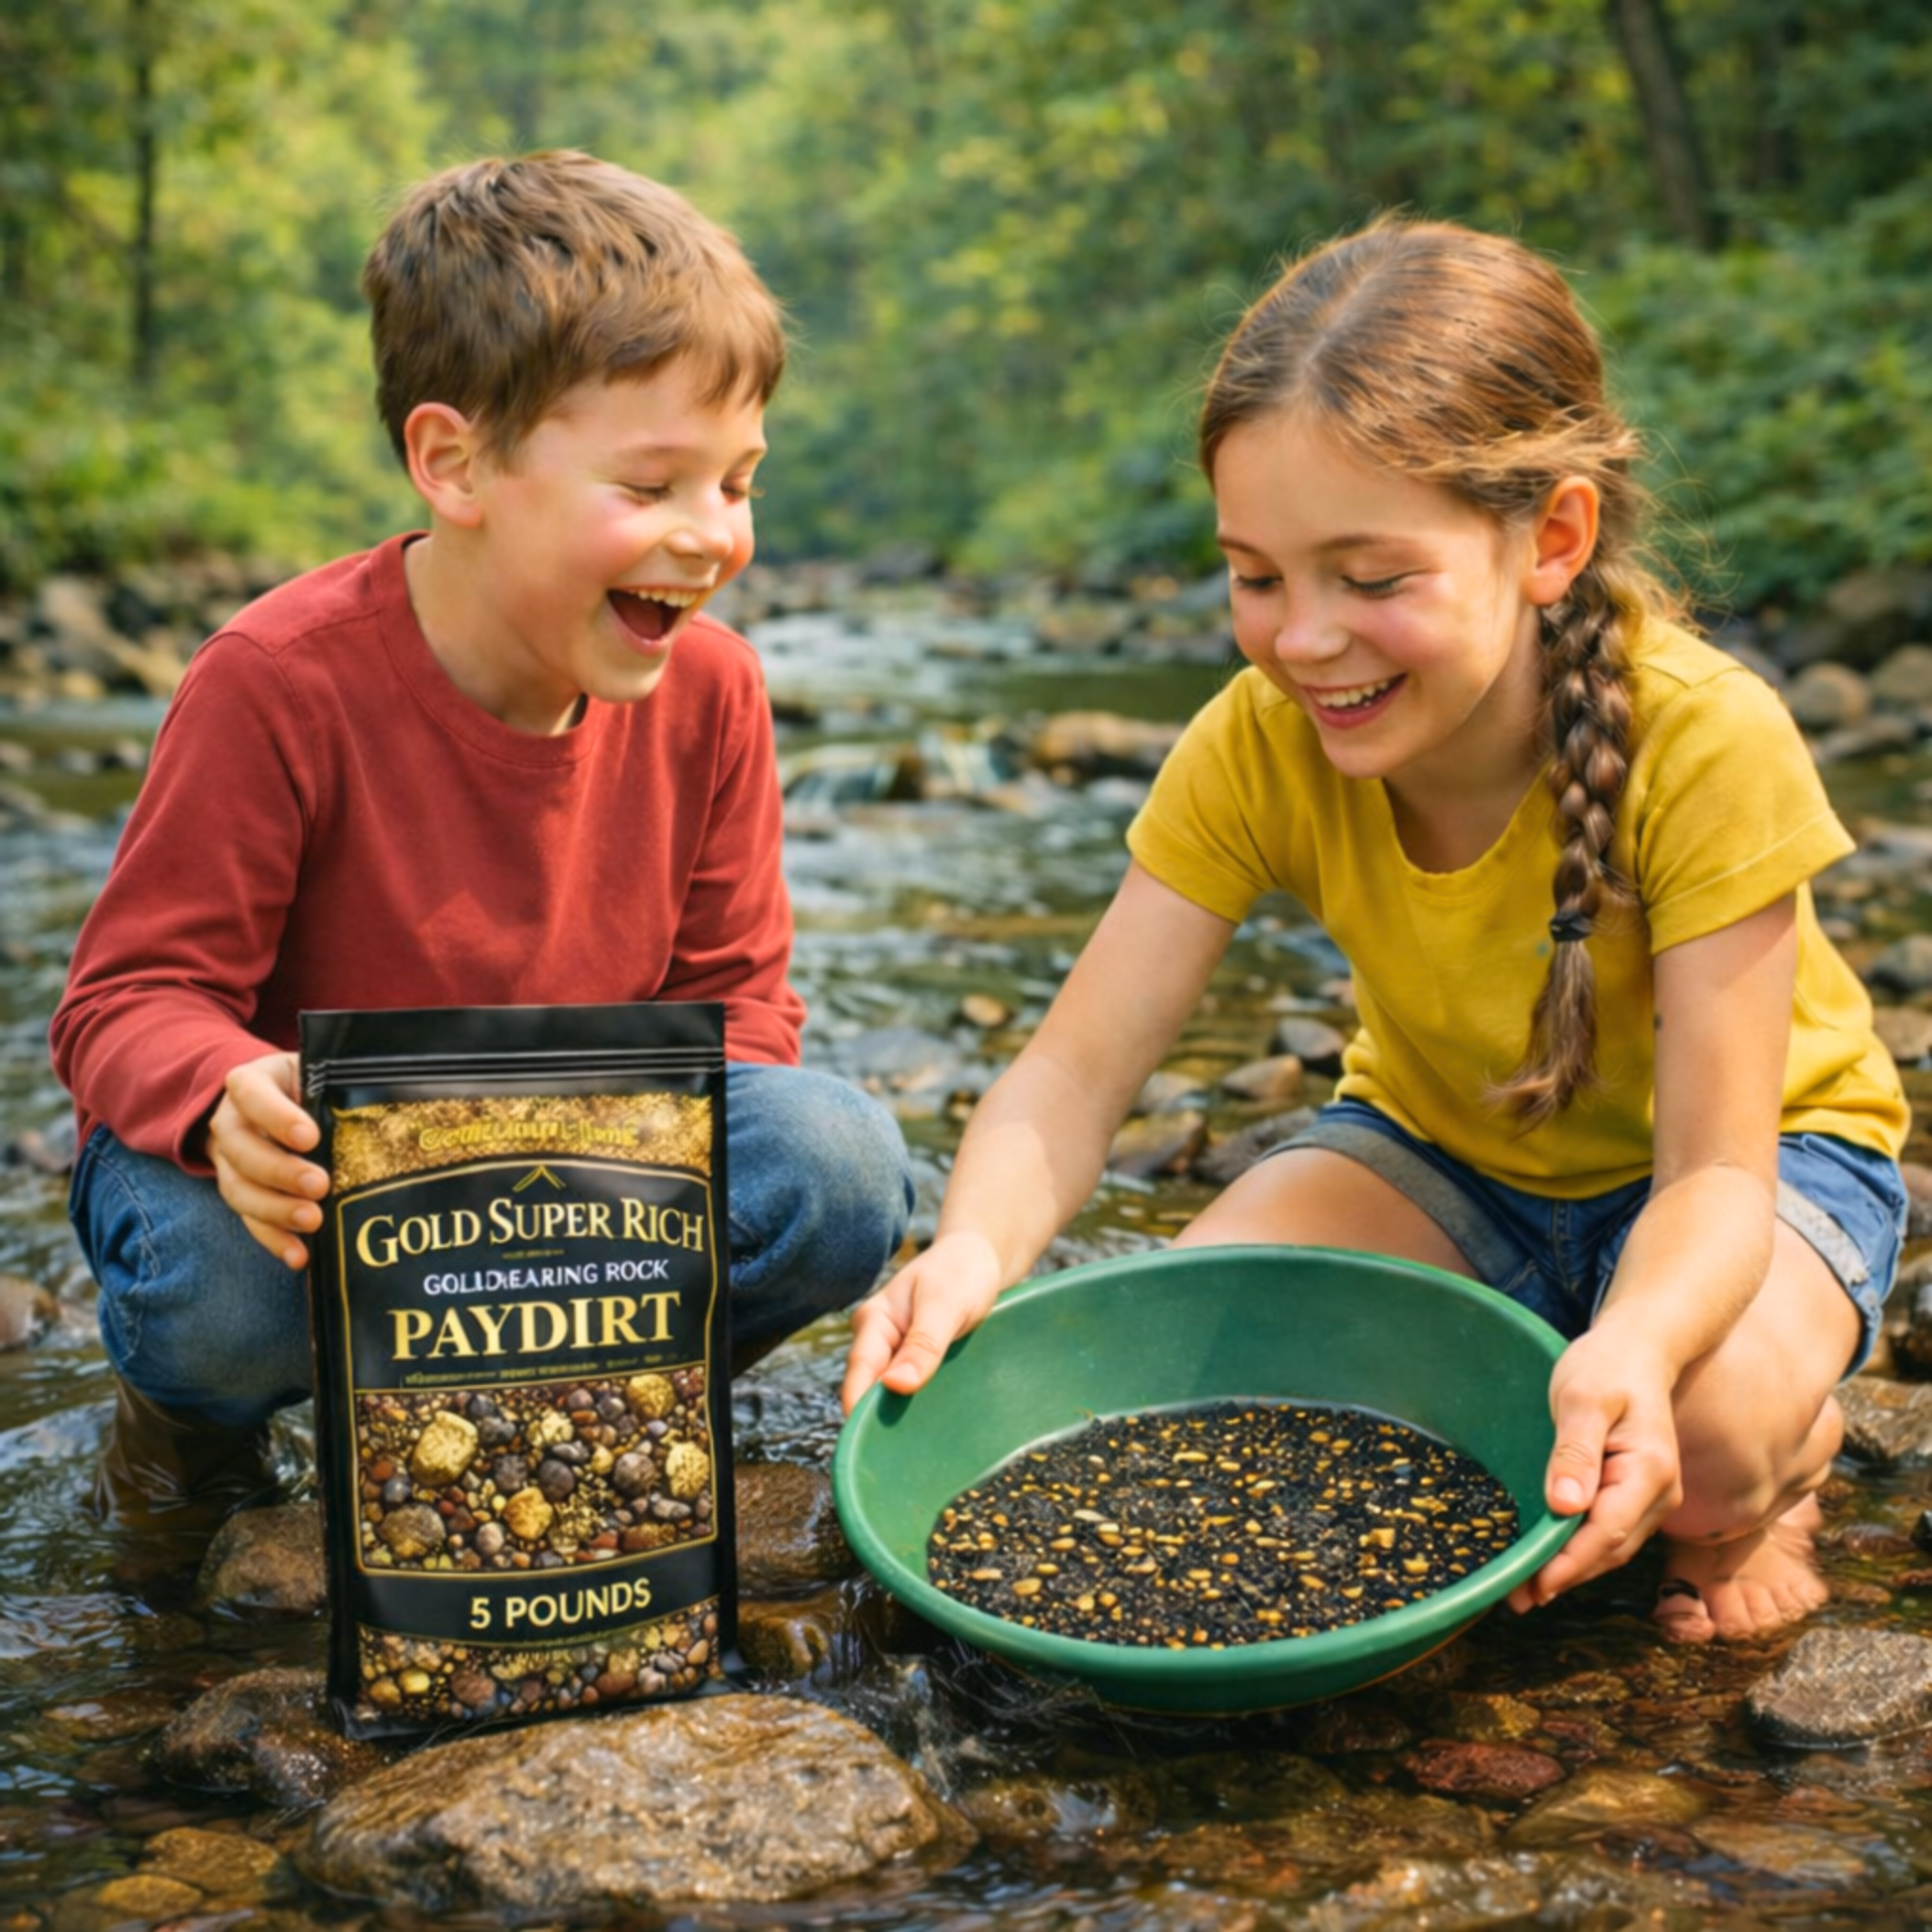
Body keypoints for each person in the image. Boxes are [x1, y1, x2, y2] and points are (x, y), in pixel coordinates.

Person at [841, 216, 1910, 1645]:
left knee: (1697, 1437)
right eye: (1256, 575)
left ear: (1552, 536)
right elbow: (1071, 1076)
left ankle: (1780, 1472)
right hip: (1439, 1157)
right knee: (1196, 1392)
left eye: (1371, 576)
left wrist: (1637, 1341)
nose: (1304, 640)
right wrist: (969, 1251)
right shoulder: (1253, 742)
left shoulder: (1703, 739)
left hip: (1757, 1171)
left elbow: (1711, 1175)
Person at [52, 150, 913, 1530]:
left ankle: (578, 1402)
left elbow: (742, 1014)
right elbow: (120, 1003)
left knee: (838, 1167)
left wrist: (629, 1189)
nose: (712, 539)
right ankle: (183, 1428)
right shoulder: (276, 680)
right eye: (651, 488)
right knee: (218, 1297)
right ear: (454, 463)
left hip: (563, 1184)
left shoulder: (715, 692)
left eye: (737, 483)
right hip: (309, 1187)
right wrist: (222, 1093)